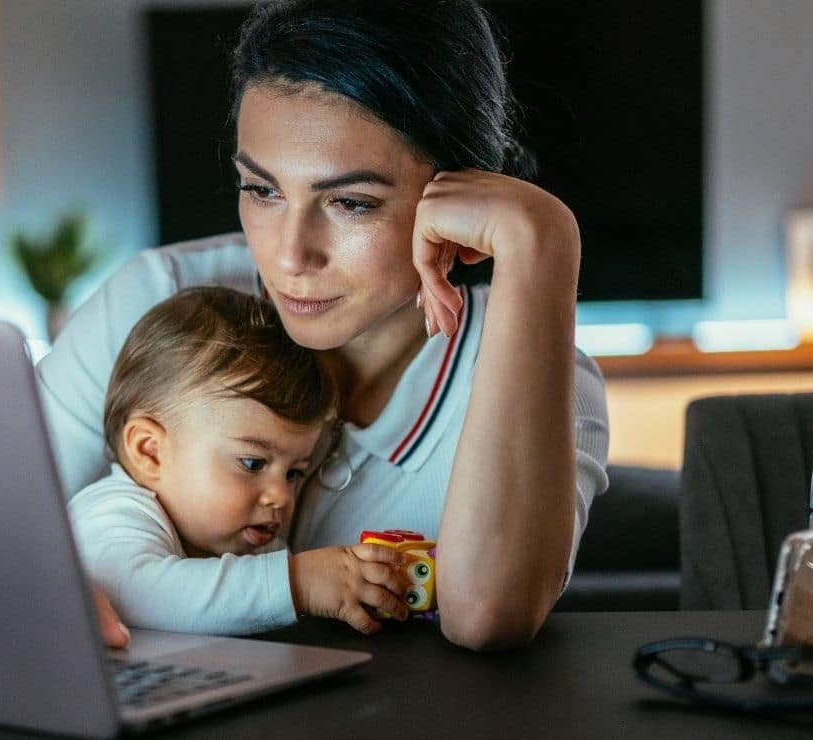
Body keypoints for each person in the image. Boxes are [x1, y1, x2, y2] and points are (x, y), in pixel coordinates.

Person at [38, 0, 609, 650]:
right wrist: (38, 575)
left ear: (461, 203)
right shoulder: (156, 299)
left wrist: (542, 243)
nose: (289, 256)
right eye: (262, 190)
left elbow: (486, 616)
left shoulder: (552, 381)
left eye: (350, 202)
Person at [68, 286, 410, 635]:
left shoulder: (241, 545)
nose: (281, 496)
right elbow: (135, 593)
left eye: (293, 473)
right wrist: (299, 583)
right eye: (253, 464)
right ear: (149, 452)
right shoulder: (112, 513)